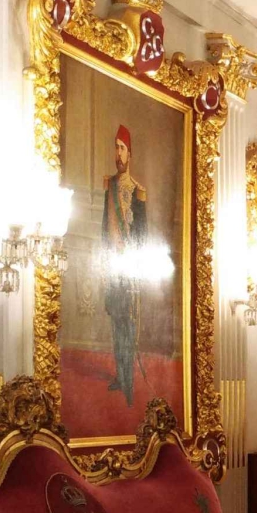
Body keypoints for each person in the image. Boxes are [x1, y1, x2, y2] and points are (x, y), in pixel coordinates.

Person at [102, 125, 145, 406]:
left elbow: (143, 237)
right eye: (115, 147)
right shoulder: (109, 187)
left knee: (128, 323)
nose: (118, 153)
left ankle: (129, 379)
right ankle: (120, 374)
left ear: (130, 154)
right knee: (116, 321)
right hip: (112, 268)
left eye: (122, 148)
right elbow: (104, 229)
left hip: (129, 271)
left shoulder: (138, 192)